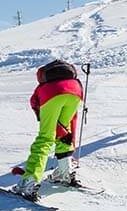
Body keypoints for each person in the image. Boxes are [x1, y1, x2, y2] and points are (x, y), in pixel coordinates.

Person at [13, 59, 85, 201]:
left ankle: (29, 181)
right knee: (65, 134)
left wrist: (44, 119)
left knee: (45, 138)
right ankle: (65, 173)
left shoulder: (43, 87)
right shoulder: (70, 80)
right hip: (76, 92)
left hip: (51, 95)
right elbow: (68, 125)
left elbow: (35, 103)